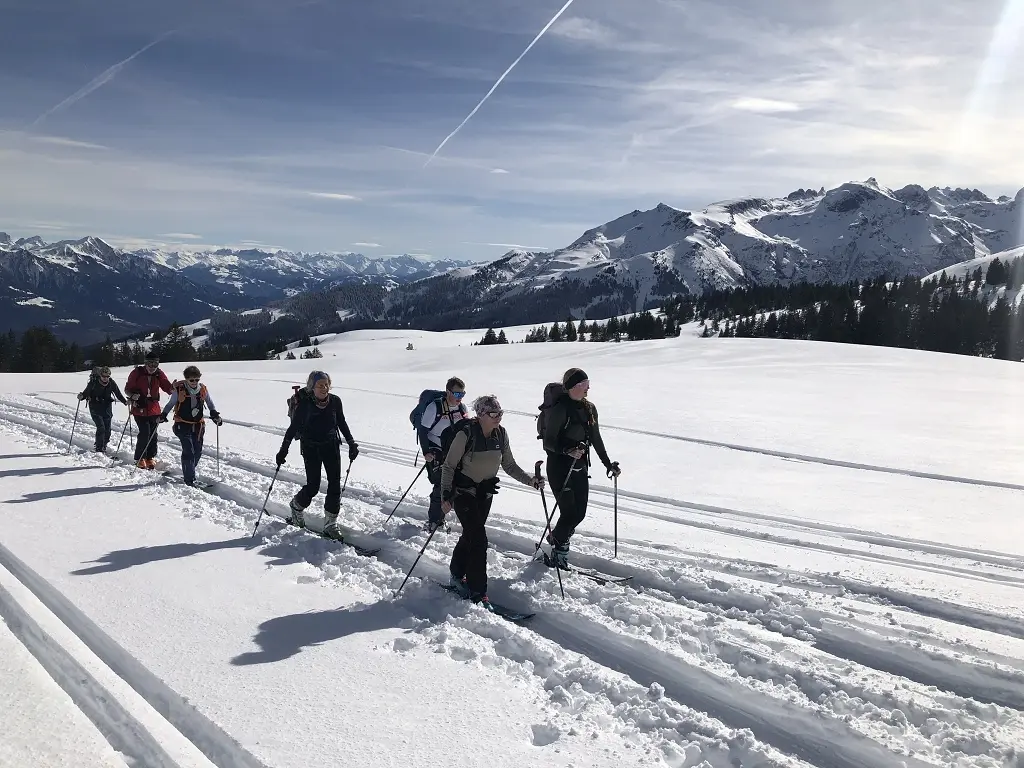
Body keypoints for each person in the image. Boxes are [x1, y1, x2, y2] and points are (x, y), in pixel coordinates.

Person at [439, 394, 544, 609]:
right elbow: (449, 466)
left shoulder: (500, 434)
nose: (498, 418)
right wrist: (445, 495)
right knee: (478, 540)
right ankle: (478, 592)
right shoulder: (466, 434)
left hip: (485, 494)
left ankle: (456, 575)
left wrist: (531, 481)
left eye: (500, 413)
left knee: (470, 535)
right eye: (493, 414)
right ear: (480, 414)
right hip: (462, 493)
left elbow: (510, 465)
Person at [540, 368, 620, 570]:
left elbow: (596, 438)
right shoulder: (561, 409)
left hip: (580, 466)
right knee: (568, 513)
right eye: (583, 384)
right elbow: (548, 443)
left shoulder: (590, 409)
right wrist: (567, 450)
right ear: (571, 387)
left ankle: (556, 538)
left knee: (579, 514)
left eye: (587, 383)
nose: (587, 388)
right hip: (559, 467)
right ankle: (558, 555)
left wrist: (607, 463)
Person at [275, 371, 359, 540]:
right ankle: (296, 507)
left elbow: (341, 422)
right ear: (312, 387)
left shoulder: (335, 401)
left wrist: (351, 443)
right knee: (313, 486)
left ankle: (330, 524)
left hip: (331, 446)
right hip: (311, 448)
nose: (324, 388)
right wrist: (283, 449)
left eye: (327, 384)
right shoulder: (305, 404)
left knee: (335, 485)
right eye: (320, 385)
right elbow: (293, 429)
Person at [417, 376, 468, 529]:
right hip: (436, 451)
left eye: (462, 394)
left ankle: (441, 518)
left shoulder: (462, 409)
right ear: (448, 392)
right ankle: (434, 521)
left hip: (453, 452)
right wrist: (426, 452)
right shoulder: (435, 407)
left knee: (453, 484)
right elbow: (423, 430)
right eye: (457, 394)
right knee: (440, 484)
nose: (460, 398)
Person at [159, 366, 222, 486]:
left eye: (197, 379)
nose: (194, 382)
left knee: (197, 452)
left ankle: (188, 471)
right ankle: (189, 479)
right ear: (186, 379)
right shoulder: (180, 389)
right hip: (182, 424)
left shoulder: (202, 389)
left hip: (198, 426)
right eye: (191, 380)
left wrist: (214, 414)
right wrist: (163, 414)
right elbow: (171, 403)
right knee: (189, 451)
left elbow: (209, 403)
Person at [124, 351, 174, 469]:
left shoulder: (159, 374)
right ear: (145, 363)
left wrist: (173, 388)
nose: (152, 367)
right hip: (139, 407)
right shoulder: (136, 373)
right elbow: (127, 389)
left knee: (153, 434)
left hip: (154, 409)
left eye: (155, 364)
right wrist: (132, 396)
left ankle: (150, 457)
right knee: (145, 432)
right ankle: (140, 458)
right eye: (150, 364)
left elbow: (167, 387)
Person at [77, 366, 127, 452]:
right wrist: (81, 397)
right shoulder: (93, 383)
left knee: (107, 429)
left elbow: (118, 394)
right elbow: (86, 393)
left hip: (107, 408)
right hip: (95, 407)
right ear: (100, 375)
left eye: (107, 376)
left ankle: (104, 445)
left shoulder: (111, 383)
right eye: (104, 376)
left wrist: (125, 402)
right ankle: (99, 448)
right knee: (101, 427)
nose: (105, 378)